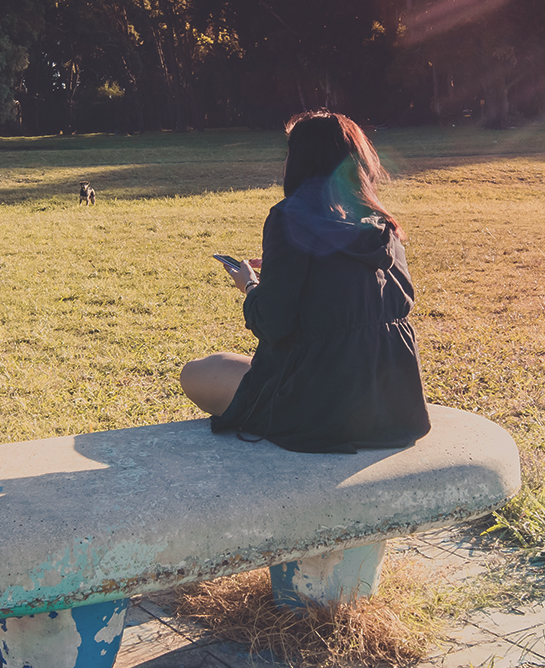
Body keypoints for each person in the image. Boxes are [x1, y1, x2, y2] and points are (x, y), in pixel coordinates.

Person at [180, 110, 431, 453]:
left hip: (320, 411)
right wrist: (283, 272)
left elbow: (273, 323)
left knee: (195, 372)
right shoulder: (383, 225)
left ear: (298, 159)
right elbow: (371, 297)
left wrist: (251, 285)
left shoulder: (288, 219)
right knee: (235, 365)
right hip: (396, 407)